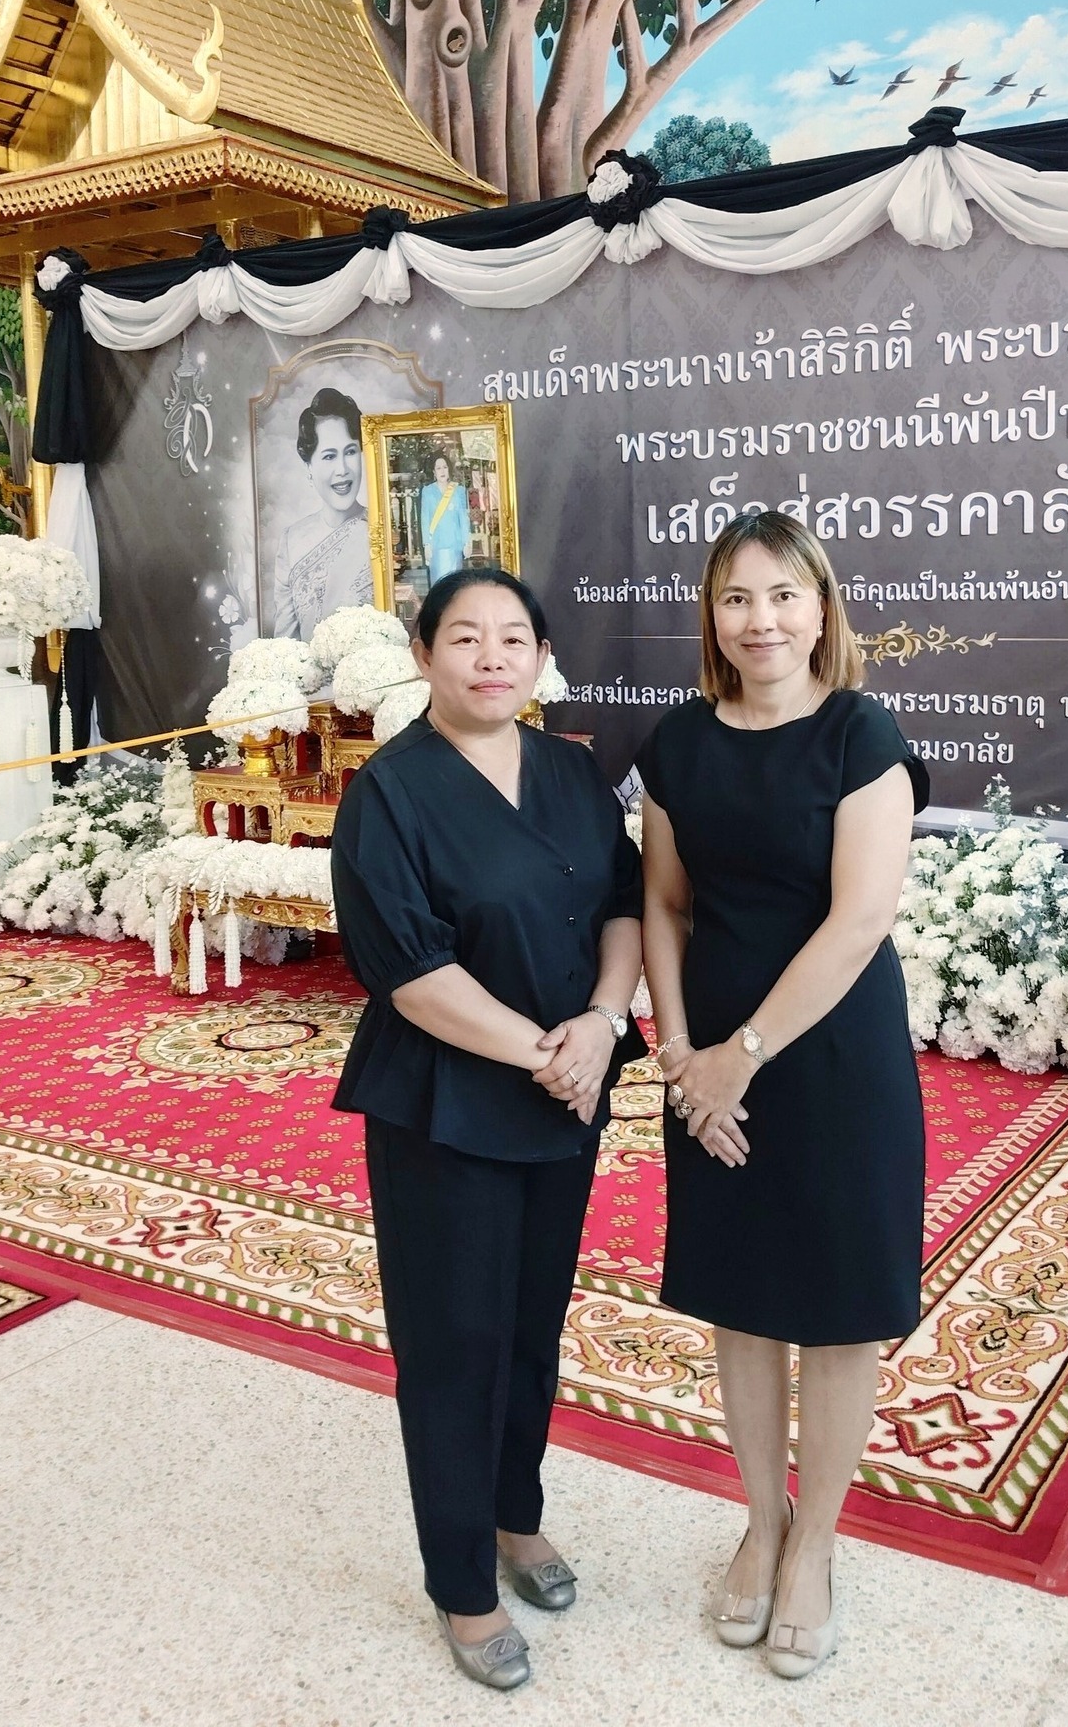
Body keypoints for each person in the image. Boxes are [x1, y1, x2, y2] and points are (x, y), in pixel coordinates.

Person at [329, 566, 643, 1692]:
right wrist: (548, 1053)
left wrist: (602, 1023)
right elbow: (410, 971)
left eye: (515, 637)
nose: (492, 656)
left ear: (542, 656)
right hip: (446, 1104)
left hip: (567, 1092)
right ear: (424, 655)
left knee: (530, 1327)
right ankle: (462, 1583)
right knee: (454, 1345)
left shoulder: (570, 769)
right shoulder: (390, 791)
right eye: (465, 637)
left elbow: (623, 904)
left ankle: (517, 1516)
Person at [636, 510, 928, 1680]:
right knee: (744, 1295)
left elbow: (860, 918)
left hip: (830, 1055)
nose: (760, 619)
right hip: (710, 1056)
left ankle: (816, 1542)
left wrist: (739, 1055)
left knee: (842, 1304)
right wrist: (681, 1053)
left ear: (821, 609)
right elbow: (664, 903)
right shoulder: (677, 741)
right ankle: (763, 1519)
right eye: (737, 597)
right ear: (712, 615)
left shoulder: (860, 733)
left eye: (783, 595)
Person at [272, 386, 373, 638]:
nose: (343, 469)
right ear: (309, 466)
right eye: (329, 456)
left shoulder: (383, 530)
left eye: (350, 452)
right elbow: (285, 644)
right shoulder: (291, 541)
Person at [419, 452, 471, 586]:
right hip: (436, 545)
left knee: (454, 585)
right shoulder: (428, 491)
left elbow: (463, 518)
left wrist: (466, 542)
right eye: (438, 468)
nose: (442, 471)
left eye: (445, 467)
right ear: (434, 472)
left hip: (455, 545)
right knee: (439, 584)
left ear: (449, 470)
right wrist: (426, 544)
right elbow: (425, 519)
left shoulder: (458, 490)